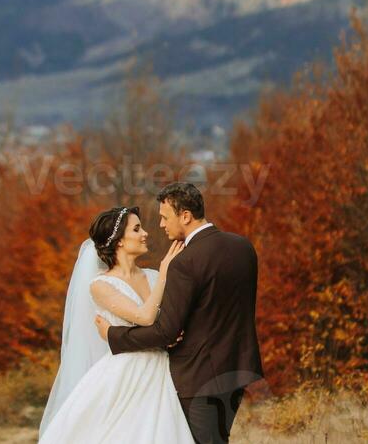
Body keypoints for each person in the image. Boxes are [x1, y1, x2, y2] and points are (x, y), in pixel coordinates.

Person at [95, 182, 264, 444]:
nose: (161, 225)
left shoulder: (185, 261)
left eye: (165, 217)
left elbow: (166, 331)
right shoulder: (243, 247)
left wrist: (114, 335)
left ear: (185, 216)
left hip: (198, 378)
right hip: (238, 368)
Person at [37, 203, 195, 443]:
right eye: (137, 229)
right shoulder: (101, 285)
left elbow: (170, 323)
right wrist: (165, 273)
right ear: (119, 241)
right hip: (125, 375)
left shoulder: (153, 276)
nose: (145, 234)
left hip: (162, 370)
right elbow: (145, 317)